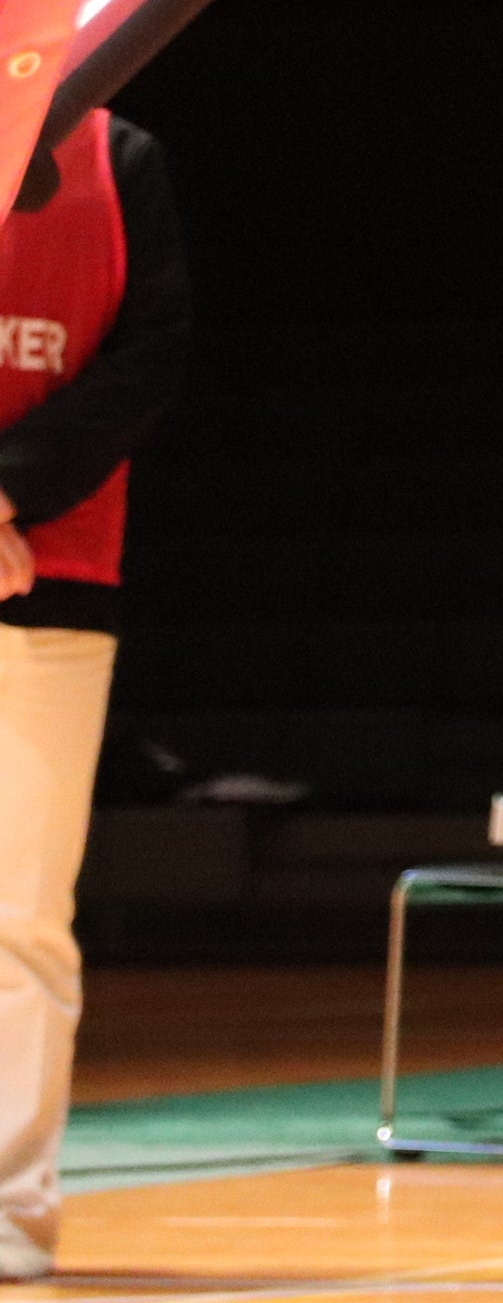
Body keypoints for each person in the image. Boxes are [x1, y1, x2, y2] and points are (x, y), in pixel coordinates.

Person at [0, 112, 189, 1285]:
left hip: (54, 578)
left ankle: (11, 1212)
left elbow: (152, 352)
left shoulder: (123, 160)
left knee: (20, 916)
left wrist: (5, 493)